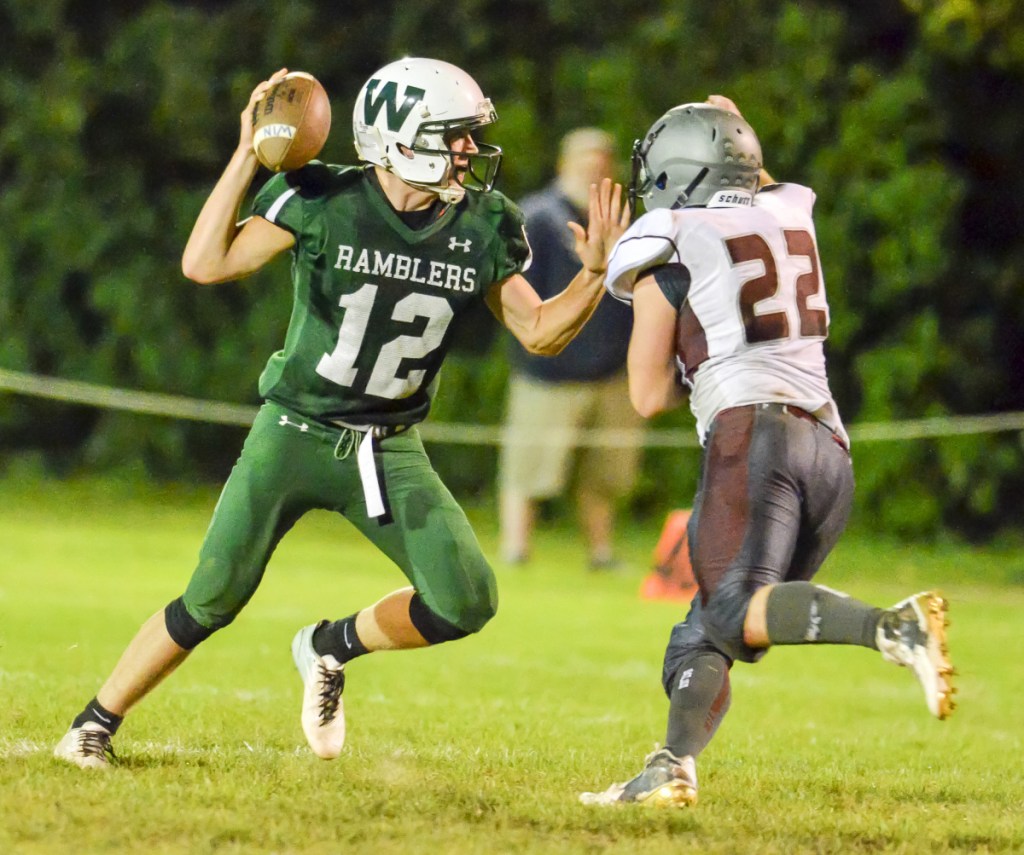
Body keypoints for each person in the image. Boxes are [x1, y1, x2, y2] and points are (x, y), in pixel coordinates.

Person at [54, 58, 629, 769]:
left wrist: (598, 273)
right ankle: (92, 722)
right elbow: (207, 263)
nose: (469, 153)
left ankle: (331, 645)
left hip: (388, 448)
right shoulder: (324, 197)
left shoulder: (484, 224)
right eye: (455, 137)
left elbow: (540, 330)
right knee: (212, 596)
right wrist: (244, 155)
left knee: (467, 598)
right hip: (295, 429)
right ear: (402, 137)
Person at [579, 96, 955, 807]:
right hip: (830, 452)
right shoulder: (788, 208)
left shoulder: (667, 238)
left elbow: (646, 394)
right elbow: (753, 186)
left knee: (729, 608)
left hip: (755, 440)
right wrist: (739, 123)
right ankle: (671, 766)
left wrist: (611, 280)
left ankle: (892, 626)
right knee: (709, 626)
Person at [499, 129, 643, 570]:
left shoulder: (623, 222)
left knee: (605, 476)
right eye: (586, 163)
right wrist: (533, 348)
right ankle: (516, 550)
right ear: (564, 165)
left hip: (611, 372)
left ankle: (601, 554)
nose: (595, 171)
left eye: (603, 163)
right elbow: (515, 291)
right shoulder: (540, 217)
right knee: (528, 471)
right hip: (549, 373)